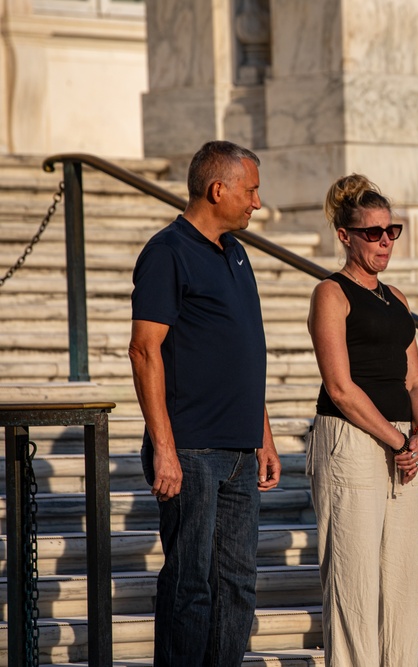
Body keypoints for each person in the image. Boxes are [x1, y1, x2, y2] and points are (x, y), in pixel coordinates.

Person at [129, 140, 281, 667]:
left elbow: (246, 349)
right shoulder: (167, 252)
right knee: (189, 584)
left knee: (237, 585)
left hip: (240, 450)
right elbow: (145, 350)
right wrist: (164, 449)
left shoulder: (237, 252)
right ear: (218, 189)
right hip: (191, 450)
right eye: (251, 189)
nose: (257, 202)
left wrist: (261, 434)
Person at [304, 174, 418, 666]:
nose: (384, 241)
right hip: (350, 441)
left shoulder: (396, 298)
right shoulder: (330, 294)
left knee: (401, 580)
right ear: (345, 235)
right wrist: (398, 439)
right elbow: (339, 387)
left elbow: (416, 382)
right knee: (353, 583)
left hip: (402, 443)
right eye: (373, 232)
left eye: (391, 231)